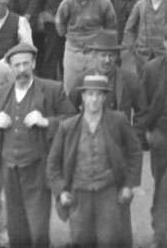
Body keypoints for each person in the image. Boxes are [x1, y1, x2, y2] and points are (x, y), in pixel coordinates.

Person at [46, 70, 141, 248]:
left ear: (105, 97)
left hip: (108, 192)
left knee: (109, 240)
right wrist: (60, 190)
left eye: (99, 94)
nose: (94, 99)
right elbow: (53, 163)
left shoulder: (117, 121)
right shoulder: (68, 126)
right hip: (79, 193)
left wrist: (128, 185)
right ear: (83, 96)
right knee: (81, 239)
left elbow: (135, 152)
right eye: (90, 94)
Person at [0, 39, 70, 248]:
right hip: (9, 168)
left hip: (37, 167)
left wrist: (47, 121)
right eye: (17, 65)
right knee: (16, 227)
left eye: (25, 63)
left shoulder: (52, 89)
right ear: (10, 68)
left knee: (38, 229)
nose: (21, 70)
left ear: (34, 64)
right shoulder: (2, 93)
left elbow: (73, 120)